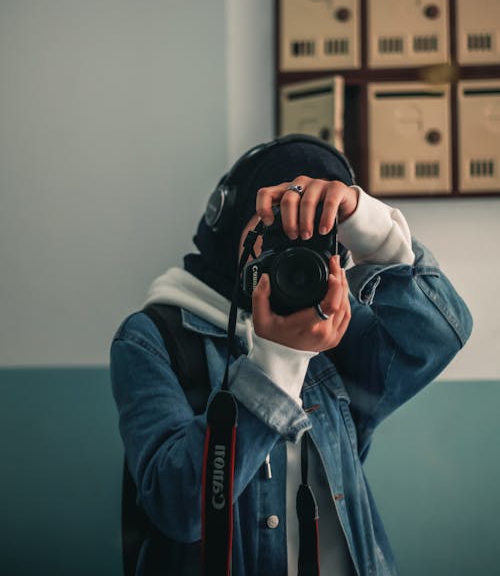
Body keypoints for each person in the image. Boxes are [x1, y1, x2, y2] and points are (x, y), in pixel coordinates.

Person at [110, 135, 473, 576]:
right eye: (278, 226)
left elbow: (440, 334)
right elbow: (179, 508)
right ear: (230, 225)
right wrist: (277, 362)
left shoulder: (335, 327)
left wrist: (373, 229)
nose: (294, 249)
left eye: (320, 236)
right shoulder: (155, 338)